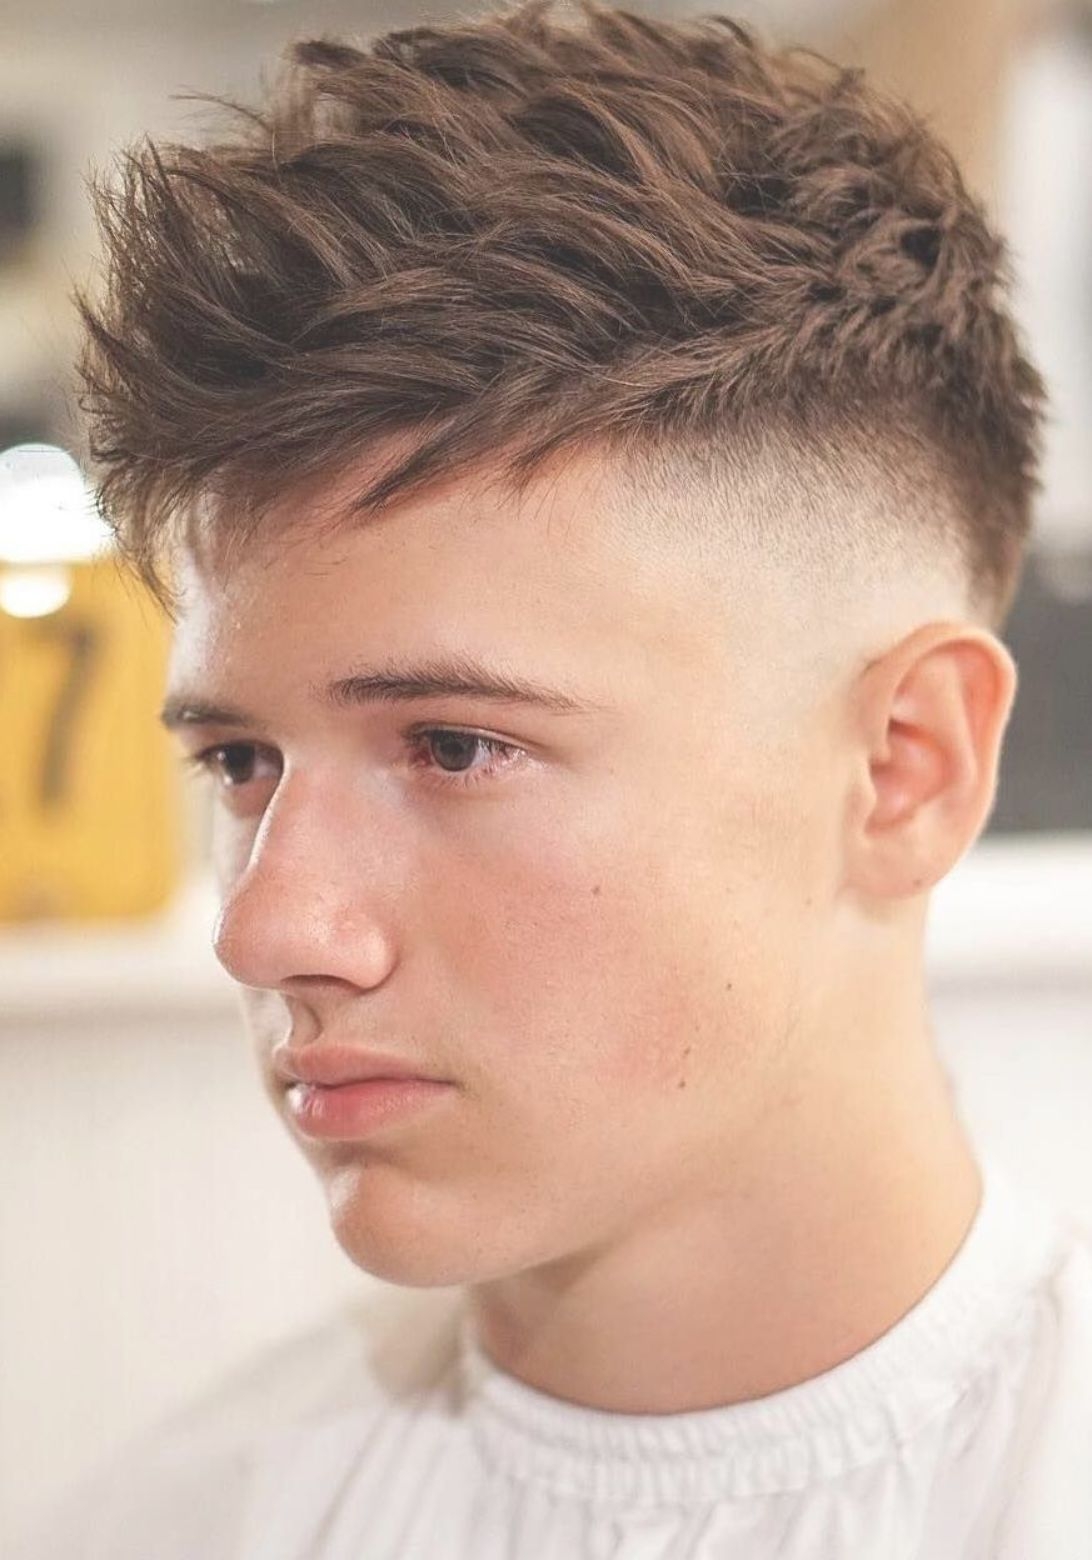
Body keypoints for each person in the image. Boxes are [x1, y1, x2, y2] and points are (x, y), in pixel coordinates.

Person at [19, 1, 1092, 1555]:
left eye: (454, 745)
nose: (266, 931)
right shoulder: (169, 1524)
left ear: (903, 766)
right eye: (242, 760)